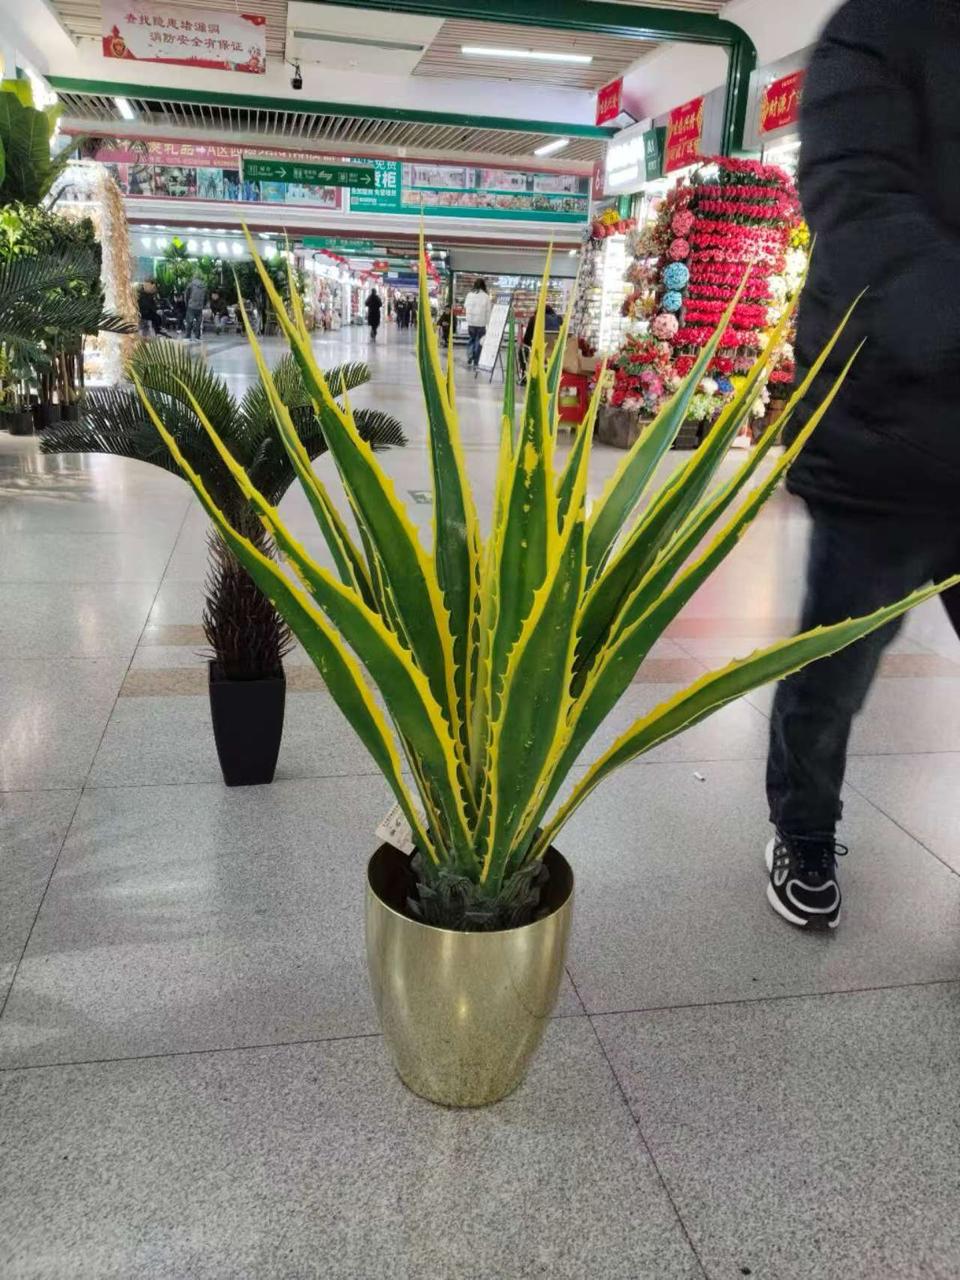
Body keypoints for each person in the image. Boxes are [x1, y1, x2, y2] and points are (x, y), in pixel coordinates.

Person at [764, 0, 960, 931]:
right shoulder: (880, 27)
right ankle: (803, 831)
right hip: (886, 440)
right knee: (833, 674)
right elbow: (858, 198)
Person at [464, 278, 491, 368]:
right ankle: (476, 360)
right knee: (479, 342)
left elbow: (466, 307)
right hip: (481, 323)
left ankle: (470, 355)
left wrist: (468, 319)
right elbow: (488, 311)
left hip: (471, 323)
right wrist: (488, 323)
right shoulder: (486, 297)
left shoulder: (469, 294)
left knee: (471, 339)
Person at [183, 275, 207, 341]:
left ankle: (188, 336)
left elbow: (186, 295)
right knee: (198, 322)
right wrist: (203, 305)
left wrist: (187, 303)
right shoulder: (204, 286)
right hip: (200, 307)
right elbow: (206, 297)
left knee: (189, 321)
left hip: (191, 306)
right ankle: (197, 337)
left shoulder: (191, 284)